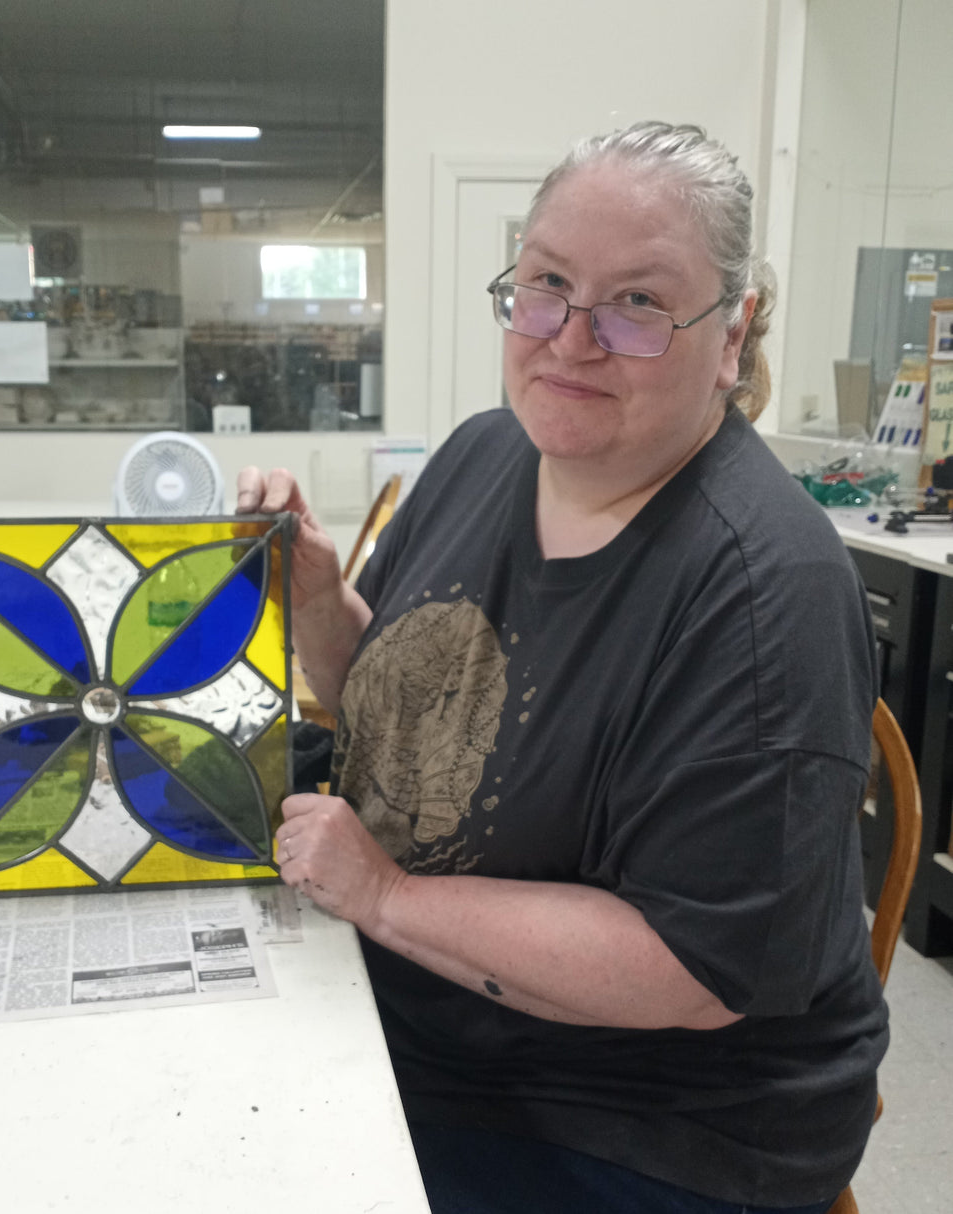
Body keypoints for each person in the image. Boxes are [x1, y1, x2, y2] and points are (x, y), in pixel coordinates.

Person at [237, 121, 885, 1214]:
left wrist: (386, 892)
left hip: (633, 1114)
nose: (570, 337)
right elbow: (390, 716)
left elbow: (689, 970)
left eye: (637, 302)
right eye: (545, 282)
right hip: (423, 1008)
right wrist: (313, 596)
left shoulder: (761, 590)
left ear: (729, 336)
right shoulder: (486, 453)